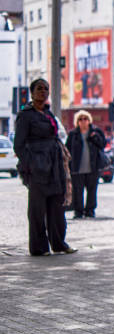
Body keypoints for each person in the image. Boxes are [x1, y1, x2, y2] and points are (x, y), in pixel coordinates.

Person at [13, 78, 77, 256]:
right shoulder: (25, 115)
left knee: (57, 207)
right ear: (32, 93)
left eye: (46, 89)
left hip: (55, 165)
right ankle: (39, 247)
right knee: (37, 209)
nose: (43, 92)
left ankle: (59, 243)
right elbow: (18, 145)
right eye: (39, 89)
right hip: (37, 167)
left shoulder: (49, 113)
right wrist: (31, 164)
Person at [65, 110, 106, 219]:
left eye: (85, 118)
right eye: (80, 119)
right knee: (77, 191)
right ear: (77, 121)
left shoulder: (96, 131)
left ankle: (90, 211)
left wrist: (94, 137)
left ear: (89, 120)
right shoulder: (73, 134)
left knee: (92, 190)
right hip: (77, 167)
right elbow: (67, 149)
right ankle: (78, 211)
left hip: (93, 166)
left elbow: (102, 144)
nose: (83, 121)